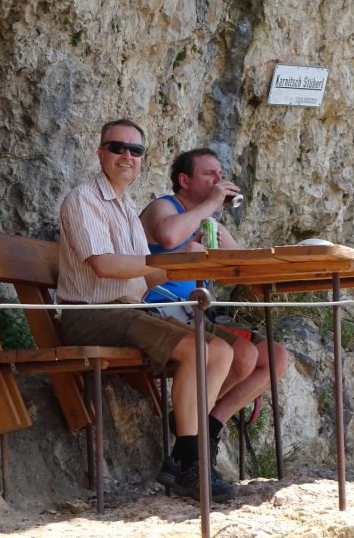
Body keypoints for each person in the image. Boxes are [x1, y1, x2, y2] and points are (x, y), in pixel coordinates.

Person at [57, 120, 239, 502]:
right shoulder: (84, 199)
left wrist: (186, 265)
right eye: (117, 148)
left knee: (221, 350)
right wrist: (165, 261)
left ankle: (187, 457)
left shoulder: (124, 207)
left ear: (142, 160)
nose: (127, 156)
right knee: (197, 348)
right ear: (100, 152)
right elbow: (105, 267)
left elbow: (144, 280)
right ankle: (189, 462)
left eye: (135, 151)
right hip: (91, 313)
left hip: (128, 309)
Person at [139, 148, 291, 471]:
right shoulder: (163, 206)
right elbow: (167, 235)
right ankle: (190, 439)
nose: (219, 180)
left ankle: (209, 424)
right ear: (184, 180)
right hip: (160, 308)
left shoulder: (207, 223)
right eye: (210, 174)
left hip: (197, 314)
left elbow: (247, 271)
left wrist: (223, 241)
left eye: (221, 174)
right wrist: (210, 204)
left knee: (274, 357)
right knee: (243, 356)